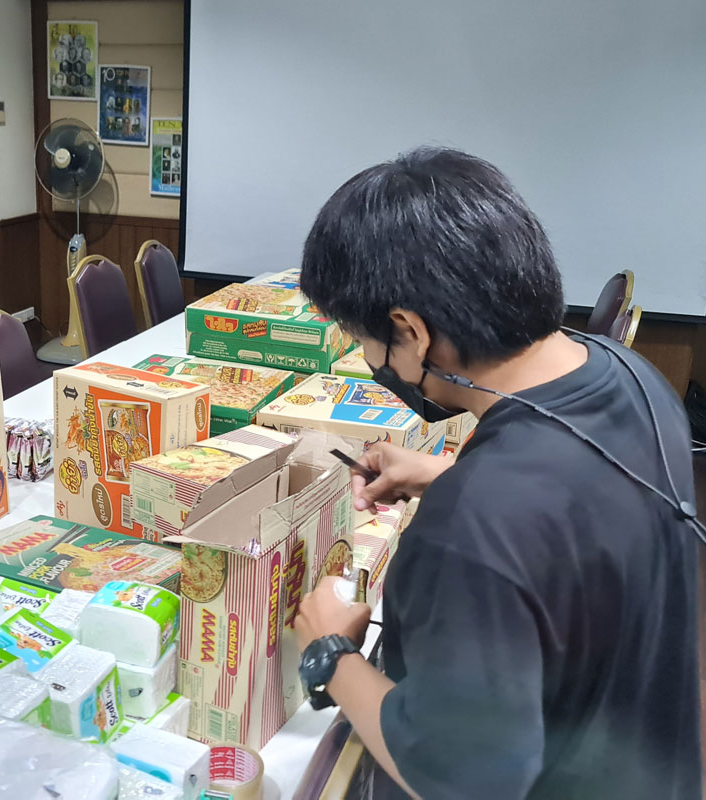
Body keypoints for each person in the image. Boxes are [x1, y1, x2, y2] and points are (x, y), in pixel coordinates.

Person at [291, 147, 701, 799]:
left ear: (410, 331)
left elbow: (461, 777)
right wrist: (443, 473)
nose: (370, 356)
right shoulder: (632, 377)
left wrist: (331, 657)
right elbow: (585, 501)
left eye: (363, 339)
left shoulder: (472, 524)